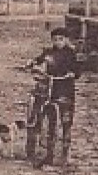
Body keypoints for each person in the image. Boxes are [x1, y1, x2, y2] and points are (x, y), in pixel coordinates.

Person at [28, 26, 80, 164]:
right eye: (55, 39)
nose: (58, 42)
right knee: (49, 118)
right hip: (50, 89)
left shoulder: (71, 54)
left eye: (61, 39)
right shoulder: (49, 52)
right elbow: (39, 60)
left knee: (66, 120)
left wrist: (72, 74)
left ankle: (65, 151)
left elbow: (77, 69)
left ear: (66, 40)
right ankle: (48, 150)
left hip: (64, 90)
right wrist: (33, 63)